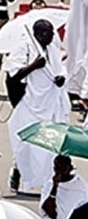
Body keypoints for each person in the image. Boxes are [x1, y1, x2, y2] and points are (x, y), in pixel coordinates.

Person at [4, 20, 70, 192]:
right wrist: (34, 66)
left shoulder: (52, 49)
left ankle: (47, 184)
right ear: (38, 33)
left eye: (52, 32)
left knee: (49, 144)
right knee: (26, 143)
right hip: (29, 101)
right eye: (47, 33)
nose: (51, 36)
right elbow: (13, 75)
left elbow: (60, 69)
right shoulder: (23, 48)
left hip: (50, 102)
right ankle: (20, 174)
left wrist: (60, 78)